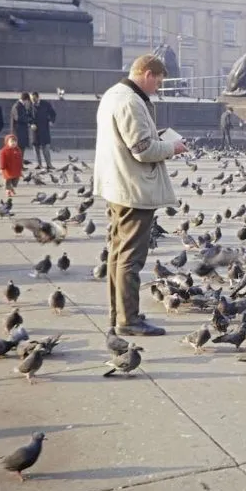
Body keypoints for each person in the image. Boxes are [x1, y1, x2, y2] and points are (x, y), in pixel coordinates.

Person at [93, 54, 188, 336]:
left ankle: (120, 312)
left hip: (117, 185)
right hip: (133, 189)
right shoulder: (130, 101)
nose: (159, 86)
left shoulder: (114, 94)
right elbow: (143, 150)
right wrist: (173, 147)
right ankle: (128, 320)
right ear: (147, 74)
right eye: (158, 80)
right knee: (131, 258)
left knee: (118, 253)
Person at [29, 92, 56, 169]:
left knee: (46, 148)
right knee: (36, 148)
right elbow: (27, 116)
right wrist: (31, 123)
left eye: (34, 99)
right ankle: (39, 164)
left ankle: (49, 164)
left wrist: (51, 121)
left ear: (38, 97)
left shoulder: (45, 104)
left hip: (44, 129)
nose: (33, 101)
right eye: (32, 99)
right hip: (34, 130)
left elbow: (53, 113)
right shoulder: (30, 105)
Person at [10, 92, 32, 157]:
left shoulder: (21, 106)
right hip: (18, 131)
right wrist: (28, 120)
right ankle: (18, 165)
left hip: (21, 131)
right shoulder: (17, 106)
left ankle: (20, 164)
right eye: (28, 101)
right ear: (26, 100)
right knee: (18, 148)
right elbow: (17, 118)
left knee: (22, 148)